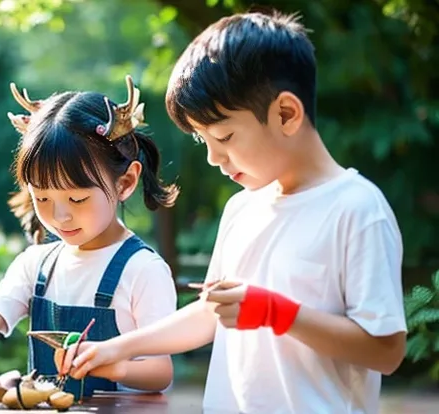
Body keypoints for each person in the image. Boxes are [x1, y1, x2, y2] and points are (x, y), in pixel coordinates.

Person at [56, 11, 407, 414]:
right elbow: (209, 315)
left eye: (223, 136)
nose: (212, 157)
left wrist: (276, 312)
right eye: (202, 140)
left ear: (286, 114)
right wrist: (114, 348)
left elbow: (386, 351)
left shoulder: (357, 209)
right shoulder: (242, 207)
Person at [0, 76, 180, 398]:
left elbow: (159, 372)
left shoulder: (143, 270)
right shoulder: (38, 263)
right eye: (42, 198)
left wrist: (112, 363)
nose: (60, 216)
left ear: (125, 183)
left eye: (77, 199)